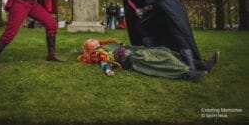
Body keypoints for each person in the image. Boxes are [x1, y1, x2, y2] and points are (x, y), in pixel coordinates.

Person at [106, 0, 219, 74]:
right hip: (157, 13)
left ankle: (194, 66)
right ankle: (154, 55)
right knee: (143, 26)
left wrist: (147, 8)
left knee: (178, 36)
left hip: (169, 11)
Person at [78, 39, 207, 81]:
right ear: (91, 47)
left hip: (136, 51)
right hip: (133, 59)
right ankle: (188, 73)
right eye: (91, 41)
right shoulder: (99, 53)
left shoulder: (106, 44)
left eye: (92, 39)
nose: (93, 40)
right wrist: (108, 71)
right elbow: (104, 62)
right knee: (161, 61)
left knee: (163, 51)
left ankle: (202, 64)